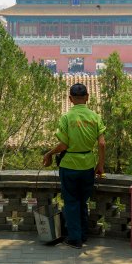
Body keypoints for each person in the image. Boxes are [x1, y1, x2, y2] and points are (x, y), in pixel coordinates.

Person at [43, 83, 106, 249]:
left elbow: (63, 145)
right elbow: (102, 143)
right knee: (82, 201)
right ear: (87, 97)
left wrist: (49, 153)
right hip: (87, 166)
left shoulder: (66, 118)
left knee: (71, 202)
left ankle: (74, 239)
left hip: (69, 165)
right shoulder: (95, 117)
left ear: (70, 99)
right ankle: (83, 235)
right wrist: (100, 165)